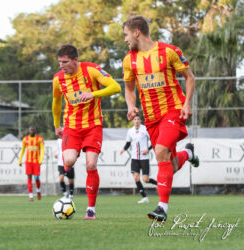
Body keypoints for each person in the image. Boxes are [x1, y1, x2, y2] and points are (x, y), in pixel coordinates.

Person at [122, 16, 199, 222]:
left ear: (136, 32)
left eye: (126, 34)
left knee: (160, 151)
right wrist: (131, 106)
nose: (125, 39)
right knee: (170, 165)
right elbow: (129, 89)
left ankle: (162, 208)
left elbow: (189, 77)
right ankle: (188, 154)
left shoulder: (169, 51)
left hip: (173, 111)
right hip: (152, 118)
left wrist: (187, 103)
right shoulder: (129, 60)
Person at [52, 44, 121, 220]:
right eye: (60, 62)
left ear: (75, 60)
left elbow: (115, 87)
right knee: (68, 160)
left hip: (93, 125)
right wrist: (56, 125)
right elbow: (57, 102)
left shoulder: (91, 70)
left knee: (91, 165)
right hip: (71, 127)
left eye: (65, 62)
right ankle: (68, 191)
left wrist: (94, 94)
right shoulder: (58, 79)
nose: (62, 66)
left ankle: (91, 208)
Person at [120, 113, 157, 203]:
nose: (136, 121)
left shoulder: (145, 129)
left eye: (138, 119)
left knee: (145, 179)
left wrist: (147, 150)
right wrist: (123, 149)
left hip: (144, 158)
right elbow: (128, 143)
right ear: (133, 121)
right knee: (136, 178)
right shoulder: (130, 131)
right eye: (135, 119)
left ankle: (159, 184)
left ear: (140, 120)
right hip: (134, 158)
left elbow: (153, 140)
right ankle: (144, 197)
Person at [18, 125, 44, 201]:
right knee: (29, 178)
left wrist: (41, 159)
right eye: (30, 130)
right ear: (29, 131)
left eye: (33, 130)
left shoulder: (39, 138)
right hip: (28, 162)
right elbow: (23, 150)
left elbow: (42, 150)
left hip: (36, 162)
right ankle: (31, 196)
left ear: (35, 131)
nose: (32, 131)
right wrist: (20, 160)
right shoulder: (25, 139)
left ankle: (38, 191)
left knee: (36, 178)